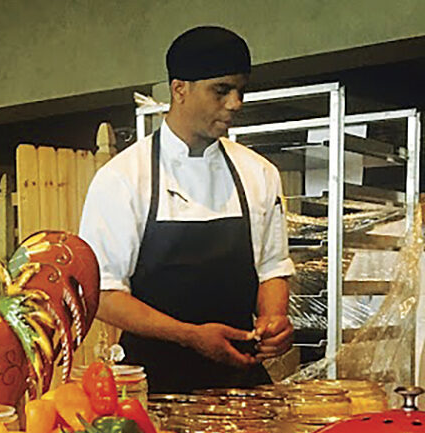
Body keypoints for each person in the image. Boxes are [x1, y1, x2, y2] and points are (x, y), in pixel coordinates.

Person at [79, 26, 294, 394]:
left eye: (241, 90)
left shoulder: (259, 173)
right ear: (180, 89)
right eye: (221, 90)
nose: (236, 103)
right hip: (151, 389)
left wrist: (275, 319)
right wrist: (190, 336)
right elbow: (103, 295)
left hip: (241, 386)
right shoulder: (123, 178)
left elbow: (272, 269)